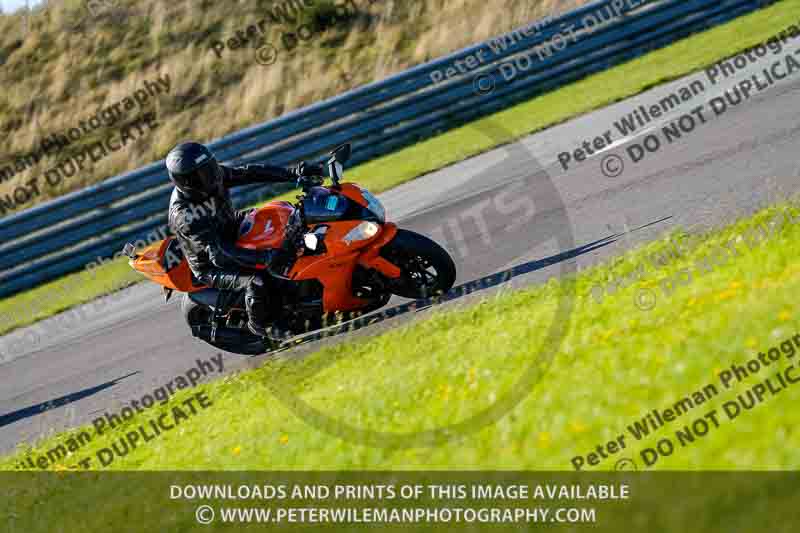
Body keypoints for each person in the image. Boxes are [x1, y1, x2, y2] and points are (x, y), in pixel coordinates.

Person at [166, 141, 323, 341]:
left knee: (284, 213)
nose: (211, 177)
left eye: (210, 169)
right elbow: (220, 254)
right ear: (185, 182)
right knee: (257, 280)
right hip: (212, 262)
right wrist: (266, 257)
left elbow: (249, 173)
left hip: (231, 224)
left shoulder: (213, 177)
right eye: (201, 175)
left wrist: (293, 174)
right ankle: (262, 326)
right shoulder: (185, 216)